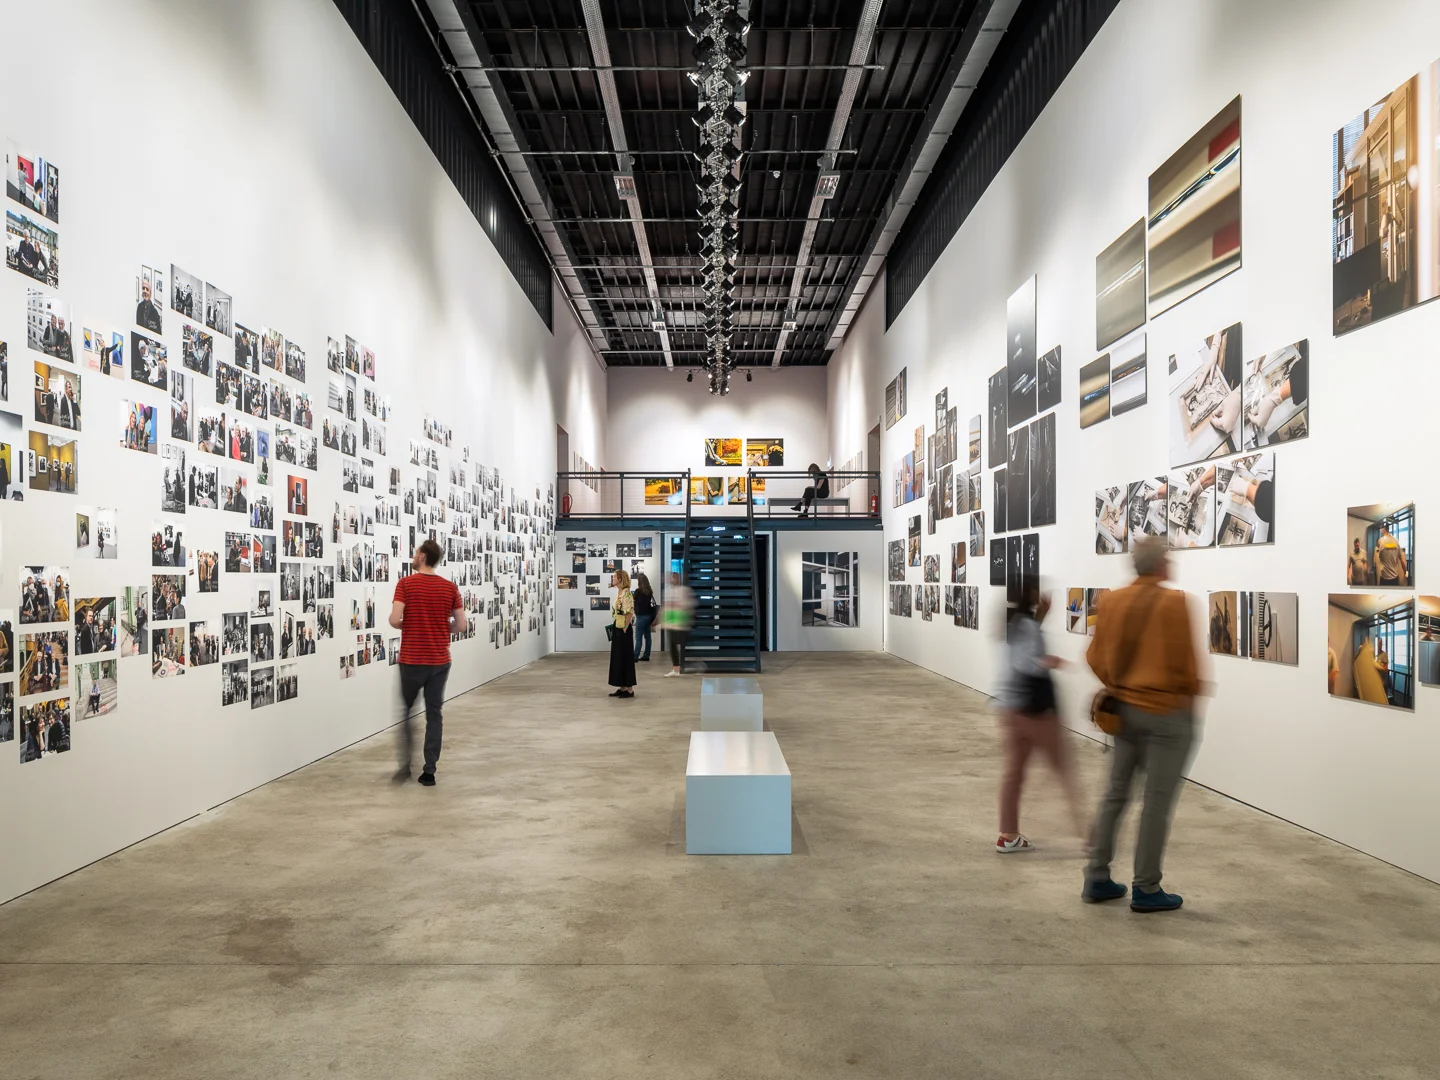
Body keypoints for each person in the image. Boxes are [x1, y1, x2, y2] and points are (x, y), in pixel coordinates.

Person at [1083, 536, 1202, 913]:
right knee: (1156, 802)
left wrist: (1117, 685)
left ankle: (1097, 877)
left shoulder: (1112, 601)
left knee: (1116, 793)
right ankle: (1147, 887)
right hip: (1167, 714)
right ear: (1162, 564)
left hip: (1124, 712)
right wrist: (1187, 700)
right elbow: (1189, 668)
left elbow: (1094, 656)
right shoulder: (1177, 604)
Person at [994, 582, 1086, 853]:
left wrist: (1042, 616)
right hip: (1035, 711)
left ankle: (1008, 836)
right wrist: (1050, 661)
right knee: (1065, 771)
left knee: (1014, 775)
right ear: (1031, 595)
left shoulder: (1014, 623)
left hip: (1010, 708)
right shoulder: (1026, 626)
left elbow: (1021, 649)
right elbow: (1025, 661)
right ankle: (1091, 840)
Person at [389, 538, 464, 786]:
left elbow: (394, 618)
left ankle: (404, 767)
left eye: (415, 552)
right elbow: (461, 625)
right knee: (434, 714)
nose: (413, 556)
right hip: (439, 661)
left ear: (422, 556)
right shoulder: (450, 588)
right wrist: (440, 627)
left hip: (411, 660)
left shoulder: (405, 584)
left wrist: (407, 624)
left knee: (407, 713)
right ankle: (429, 771)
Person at [608, 569, 637, 698]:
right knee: (618, 656)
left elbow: (630, 611)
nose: (613, 579)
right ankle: (622, 686)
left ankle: (629, 689)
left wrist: (625, 626)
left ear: (620, 579)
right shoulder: (620, 592)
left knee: (625, 656)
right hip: (618, 626)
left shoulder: (626, 593)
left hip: (623, 628)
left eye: (614, 577)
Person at [660, 571, 695, 677]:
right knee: (673, 646)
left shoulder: (684, 591)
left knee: (682, 646)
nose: (674, 579)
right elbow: (665, 607)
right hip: (671, 624)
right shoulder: (668, 592)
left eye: (676, 577)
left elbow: (690, 605)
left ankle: (682, 666)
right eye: (673, 577)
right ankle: (676, 669)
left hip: (681, 623)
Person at [632, 572, 657, 663]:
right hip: (649, 616)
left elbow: (633, 601)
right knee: (647, 637)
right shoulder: (649, 591)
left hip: (641, 616)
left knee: (638, 637)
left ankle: (635, 656)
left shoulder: (638, 591)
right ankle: (646, 655)